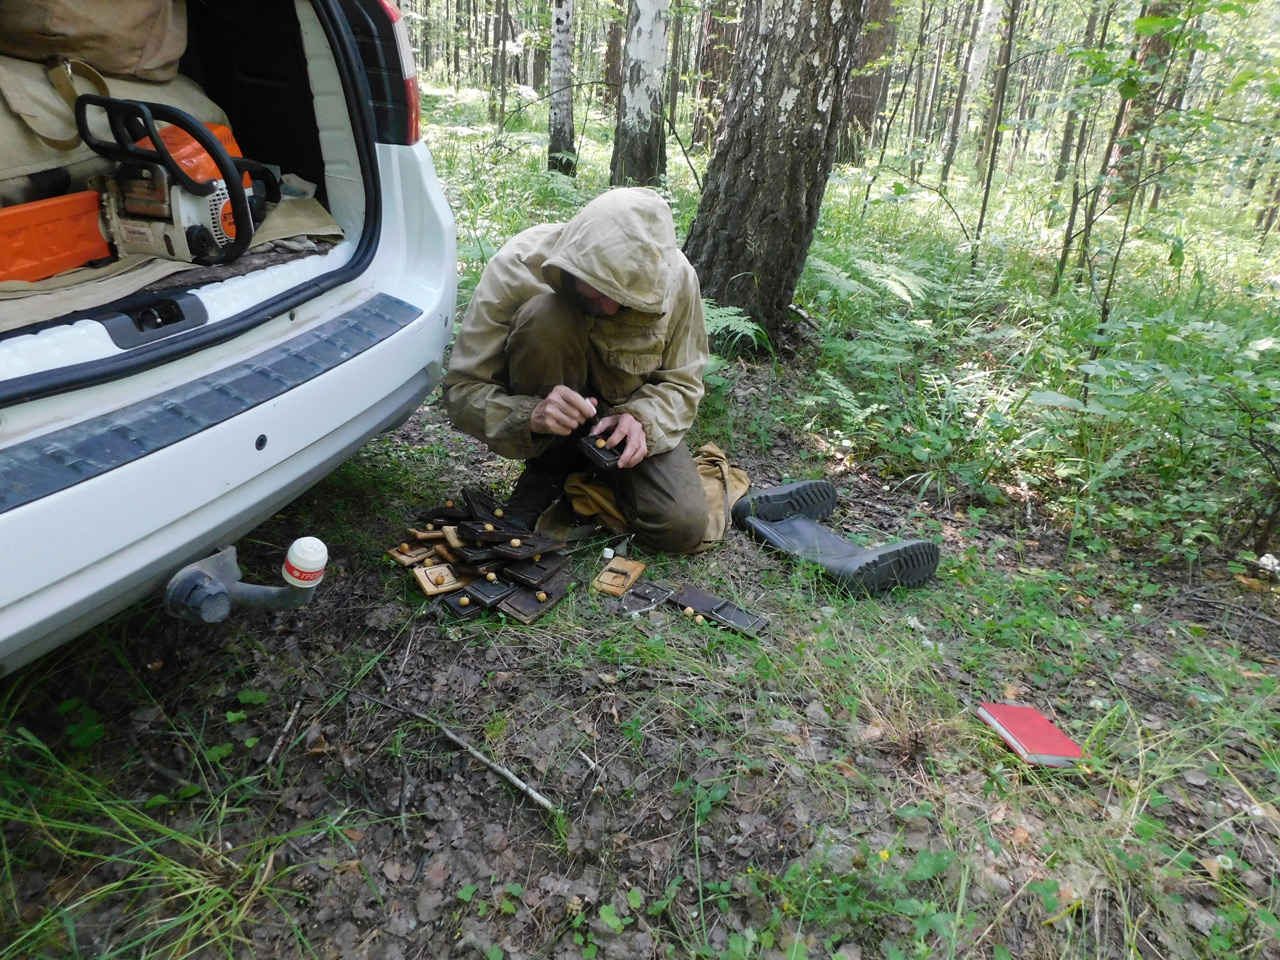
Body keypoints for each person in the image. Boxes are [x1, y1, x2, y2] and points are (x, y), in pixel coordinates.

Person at [442, 187, 709, 553]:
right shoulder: (517, 267)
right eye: (600, 292)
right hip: (545, 421)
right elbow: (462, 389)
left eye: (628, 302)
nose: (612, 309)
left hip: (621, 420)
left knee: (681, 526)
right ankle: (551, 466)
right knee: (546, 316)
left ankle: (595, 471)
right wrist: (530, 415)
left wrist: (642, 420)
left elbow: (683, 381)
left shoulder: (677, 278)